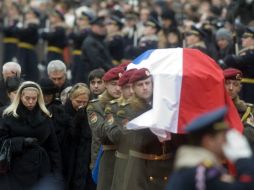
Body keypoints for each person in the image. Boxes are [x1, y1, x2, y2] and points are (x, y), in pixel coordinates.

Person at [166, 106, 254, 190]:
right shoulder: (201, 173)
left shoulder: (195, 168)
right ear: (209, 141)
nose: (226, 142)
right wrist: (243, 160)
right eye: (223, 138)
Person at [121, 68, 179, 190]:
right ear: (133, 88)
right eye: (140, 85)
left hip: (165, 166)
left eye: (148, 83)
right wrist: (155, 133)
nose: (145, 87)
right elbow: (128, 138)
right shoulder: (129, 109)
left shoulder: (164, 105)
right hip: (141, 167)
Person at [0, 81, 62, 190]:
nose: (31, 102)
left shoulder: (45, 116)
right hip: (15, 169)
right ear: (20, 97)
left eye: (34, 98)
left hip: (40, 167)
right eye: (27, 98)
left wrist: (57, 173)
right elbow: (2, 141)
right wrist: (21, 142)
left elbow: (54, 148)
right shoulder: (9, 116)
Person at [87, 66, 123, 190]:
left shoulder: (130, 104)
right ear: (106, 85)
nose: (118, 88)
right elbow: (101, 132)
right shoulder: (96, 106)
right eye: (114, 84)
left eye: (121, 84)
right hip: (107, 158)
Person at [105, 68, 136, 190]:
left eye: (134, 86)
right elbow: (113, 135)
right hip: (124, 162)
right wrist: (130, 123)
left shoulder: (149, 107)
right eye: (127, 87)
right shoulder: (113, 108)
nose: (132, 91)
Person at [61, 83, 95, 190]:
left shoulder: (90, 113)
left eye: (84, 102)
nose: (81, 105)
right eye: (78, 102)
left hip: (85, 158)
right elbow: (69, 135)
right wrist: (78, 119)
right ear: (71, 99)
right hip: (69, 158)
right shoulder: (63, 113)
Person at [223, 68, 254, 151]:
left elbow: (250, 134)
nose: (231, 88)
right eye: (227, 83)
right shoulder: (212, 107)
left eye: (235, 84)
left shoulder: (246, 110)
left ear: (239, 88)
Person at [81, 16, 113, 80]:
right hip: (94, 76)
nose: (104, 28)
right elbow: (96, 61)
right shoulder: (90, 41)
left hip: (101, 74)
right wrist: (110, 69)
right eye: (101, 26)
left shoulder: (100, 40)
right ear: (93, 27)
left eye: (104, 26)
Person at [16, 7, 40, 82]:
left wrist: (19, 30)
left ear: (34, 16)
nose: (27, 15)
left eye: (30, 14)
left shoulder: (33, 25)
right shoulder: (26, 24)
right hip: (22, 50)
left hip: (28, 51)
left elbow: (23, 33)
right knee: (21, 70)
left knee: (29, 72)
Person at [69, 11, 91, 84]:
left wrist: (71, 33)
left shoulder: (87, 31)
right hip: (76, 56)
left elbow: (78, 38)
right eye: (79, 19)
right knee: (73, 75)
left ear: (87, 21)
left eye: (82, 19)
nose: (79, 21)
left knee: (79, 78)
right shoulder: (80, 30)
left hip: (81, 57)